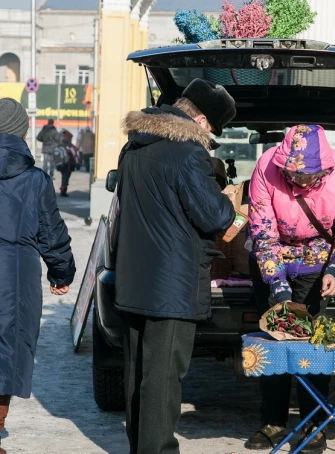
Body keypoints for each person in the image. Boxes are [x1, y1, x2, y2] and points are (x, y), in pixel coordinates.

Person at [115, 79, 236, 454]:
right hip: (172, 282)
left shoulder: (133, 146)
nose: (211, 138)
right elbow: (214, 217)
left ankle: (141, 447)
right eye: (212, 130)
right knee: (164, 377)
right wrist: (228, 199)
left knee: (138, 372)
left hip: (134, 277)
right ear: (200, 119)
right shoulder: (188, 154)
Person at [246, 125, 335, 454]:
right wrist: (277, 286)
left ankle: (314, 423)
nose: (299, 182)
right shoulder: (266, 167)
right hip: (274, 260)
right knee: (274, 340)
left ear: (324, 169)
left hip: (316, 266)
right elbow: (263, 232)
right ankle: (274, 421)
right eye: (293, 175)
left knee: (313, 346)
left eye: (307, 177)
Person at [0, 98, 76, 446]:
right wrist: (61, 272)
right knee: (9, 349)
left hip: (17, 267)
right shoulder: (34, 179)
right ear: (22, 132)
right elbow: (51, 230)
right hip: (16, 273)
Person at [55, 129, 79, 197]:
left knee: (64, 177)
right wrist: (77, 163)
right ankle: (63, 191)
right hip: (68, 164)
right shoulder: (70, 146)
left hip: (61, 164)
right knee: (66, 177)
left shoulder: (59, 145)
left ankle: (63, 190)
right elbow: (75, 155)